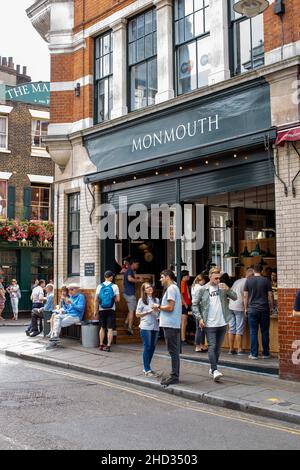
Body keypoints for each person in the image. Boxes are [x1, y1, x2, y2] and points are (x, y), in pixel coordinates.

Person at [192, 267, 237, 382]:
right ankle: (215, 369)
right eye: (216, 278)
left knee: (218, 348)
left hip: (222, 322)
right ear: (210, 276)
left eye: (219, 278)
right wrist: (200, 318)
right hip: (209, 323)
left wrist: (228, 289)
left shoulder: (222, 288)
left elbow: (235, 297)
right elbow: (195, 305)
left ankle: (212, 368)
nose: (218, 280)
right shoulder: (202, 289)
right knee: (212, 346)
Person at [152, 269, 181, 387]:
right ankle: (174, 375)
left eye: (162, 277)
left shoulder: (171, 289)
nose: (160, 279)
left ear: (168, 277)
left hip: (170, 324)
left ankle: (174, 376)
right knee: (173, 351)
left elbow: (170, 307)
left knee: (173, 351)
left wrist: (158, 306)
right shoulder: (174, 288)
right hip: (171, 324)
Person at [244, 264, 274, 360]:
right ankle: (266, 353)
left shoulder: (248, 281)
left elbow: (245, 296)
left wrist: (245, 308)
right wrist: (272, 307)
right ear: (261, 271)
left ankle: (254, 354)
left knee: (253, 332)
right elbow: (270, 295)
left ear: (253, 270)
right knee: (265, 331)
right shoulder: (266, 281)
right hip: (264, 309)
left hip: (252, 309)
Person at [228, 268, 254, 355]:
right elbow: (246, 296)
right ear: (251, 275)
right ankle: (239, 349)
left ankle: (231, 349)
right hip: (239, 307)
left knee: (231, 328)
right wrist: (246, 308)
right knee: (239, 329)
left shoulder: (237, 281)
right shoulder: (248, 282)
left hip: (231, 306)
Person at [136, 282, 160, 376]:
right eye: (147, 288)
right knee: (147, 346)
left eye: (150, 286)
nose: (150, 288)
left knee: (153, 347)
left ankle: (147, 366)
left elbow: (157, 314)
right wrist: (149, 311)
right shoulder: (141, 300)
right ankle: (147, 369)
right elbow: (137, 314)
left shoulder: (156, 300)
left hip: (155, 326)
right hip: (145, 326)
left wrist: (157, 311)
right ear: (144, 291)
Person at [94, 271, 120, 352]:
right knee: (110, 329)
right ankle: (108, 346)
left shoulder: (99, 286)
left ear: (105, 277)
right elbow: (118, 300)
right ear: (111, 277)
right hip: (111, 309)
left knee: (102, 328)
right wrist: (112, 299)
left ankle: (101, 345)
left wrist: (95, 310)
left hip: (102, 309)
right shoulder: (115, 286)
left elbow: (96, 299)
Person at [191, 274, 208, 352]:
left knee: (200, 328)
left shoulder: (193, 286)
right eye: (204, 281)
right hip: (199, 308)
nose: (204, 282)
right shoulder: (201, 288)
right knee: (200, 328)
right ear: (201, 280)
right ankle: (198, 345)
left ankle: (200, 345)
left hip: (195, 308)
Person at [123, 258, 140, 336]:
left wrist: (135, 279)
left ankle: (126, 323)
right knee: (132, 311)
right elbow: (129, 279)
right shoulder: (129, 270)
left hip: (127, 293)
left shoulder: (129, 270)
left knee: (131, 309)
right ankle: (129, 328)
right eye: (137, 264)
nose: (138, 266)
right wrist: (138, 280)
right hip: (130, 294)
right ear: (133, 263)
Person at [180, 270, 191, 345]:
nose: (189, 276)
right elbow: (181, 293)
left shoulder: (185, 283)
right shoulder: (183, 283)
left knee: (185, 322)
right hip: (183, 305)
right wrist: (185, 303)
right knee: (183, 322)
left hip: (185, 305)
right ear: (185, 276)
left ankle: (183, 338)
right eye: (188, 275)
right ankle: (182, 339)